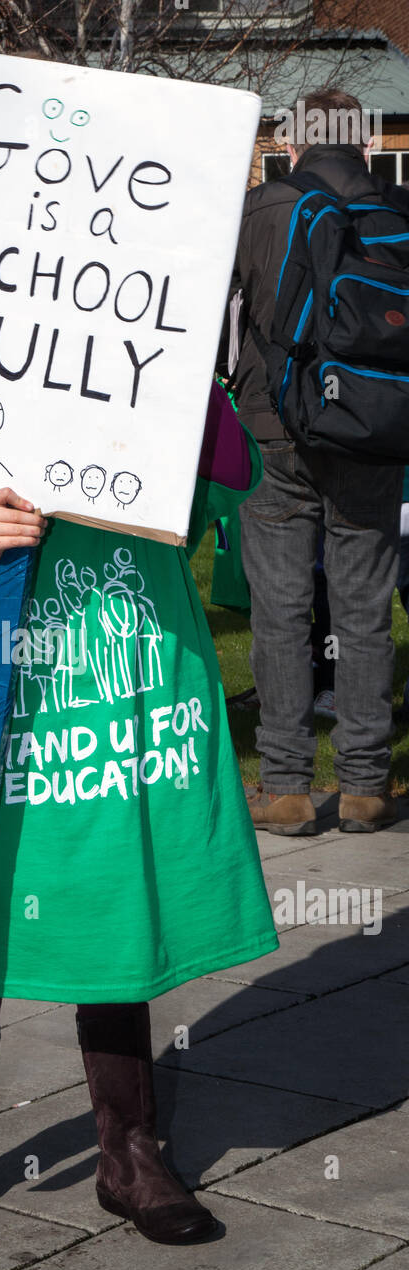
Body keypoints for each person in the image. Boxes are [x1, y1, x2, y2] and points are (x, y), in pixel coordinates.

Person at [0, 380, 279, 1252]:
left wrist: (185, 362)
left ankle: (130, 1153)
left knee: (110, 911)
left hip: (108, 708)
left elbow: (233, 474)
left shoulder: (153, 373)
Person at [223, 89, 409, 836]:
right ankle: (367, 786)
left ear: (293, 145)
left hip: (281, 429)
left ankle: (288, 785)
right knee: (365, 611)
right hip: (372, 429)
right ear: (364, 146)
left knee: (281, 613)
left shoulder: (263, 207)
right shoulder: (395, 212)